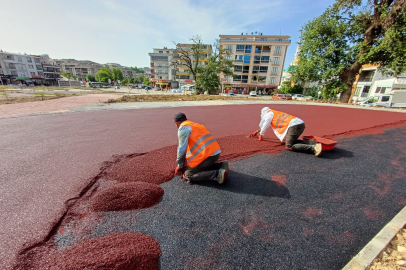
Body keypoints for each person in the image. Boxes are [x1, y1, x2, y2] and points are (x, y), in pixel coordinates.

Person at [174, 112, 229, 184]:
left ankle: (218, 174)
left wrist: (180, 166)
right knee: (198, 167)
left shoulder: (183, 128)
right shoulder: (196, 125)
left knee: (188, 175)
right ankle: (221, 165)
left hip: (207, 156)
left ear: (176, 124)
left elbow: (181, 149)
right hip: (216, 153)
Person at [249, 107, 322, 156]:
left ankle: (314, 147)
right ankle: (312, 142)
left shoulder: (269, 114)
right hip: (300, 123)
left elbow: (266, 124)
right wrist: (257, 131)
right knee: (292, 141)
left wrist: (261, 135)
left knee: (289, 145)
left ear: (264, 113)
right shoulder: (274, 113)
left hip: (294, 125)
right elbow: (268, 124)